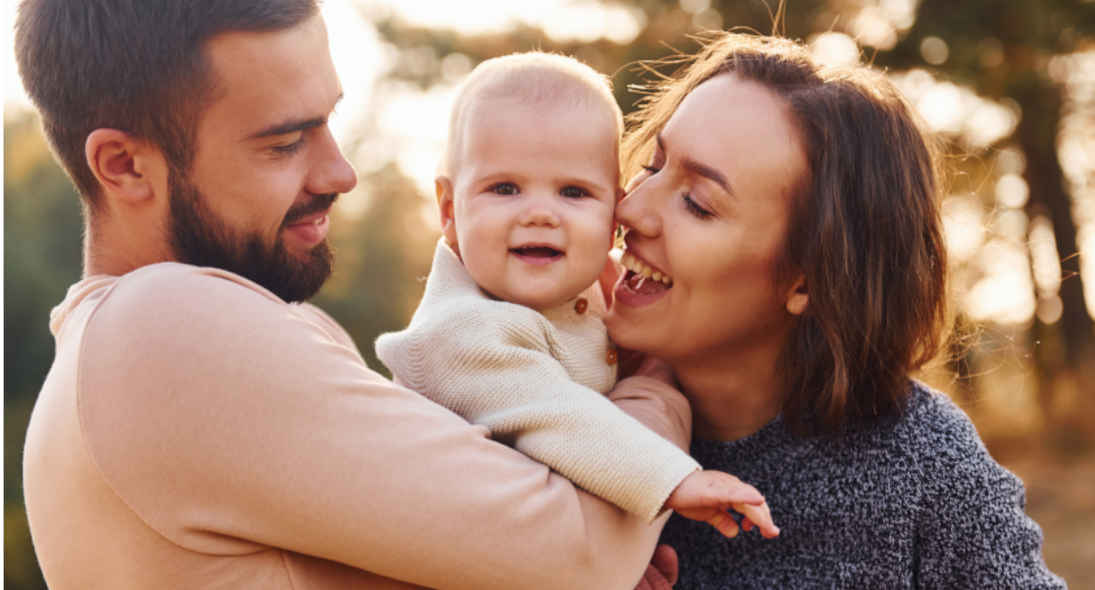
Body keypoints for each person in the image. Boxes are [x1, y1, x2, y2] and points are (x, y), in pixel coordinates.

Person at [16, 1, 690, 588]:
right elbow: (576, 554)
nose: (341, 172)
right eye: (283, 143)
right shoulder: (161, 327)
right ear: (125, 166)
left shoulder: (154, 347)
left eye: (328, 122)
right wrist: (654, 386)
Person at [604, 34, 1068, 588]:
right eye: (653, 166)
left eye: (698, 204)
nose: (630, 208)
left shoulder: (924, 468)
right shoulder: (547, 400)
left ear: (807, 279)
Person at [375, 52, 778, 537]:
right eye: (504, 188)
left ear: (613, 217)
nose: (541, 214)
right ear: (448, 212)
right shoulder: (461, 332)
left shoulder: (588, 293)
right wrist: (675, 481)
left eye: (573, 193)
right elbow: (561, 420)